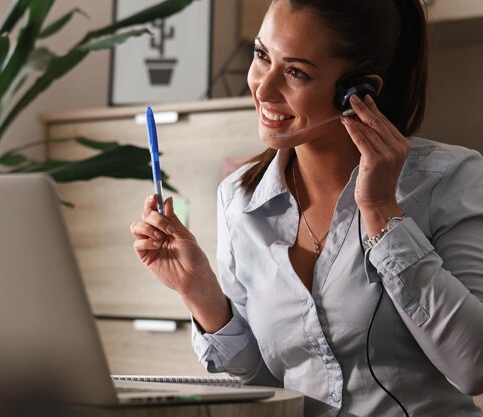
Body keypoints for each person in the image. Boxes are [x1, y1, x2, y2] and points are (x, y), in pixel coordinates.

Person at [130, 0, 483, 415]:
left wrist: (383, 213)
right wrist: (200, 292)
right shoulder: (240, 200)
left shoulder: (450, 179)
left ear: (359, 92)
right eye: (262, 55)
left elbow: (473, 367)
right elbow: (266, 385)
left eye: (296, 72)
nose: (262, 88)